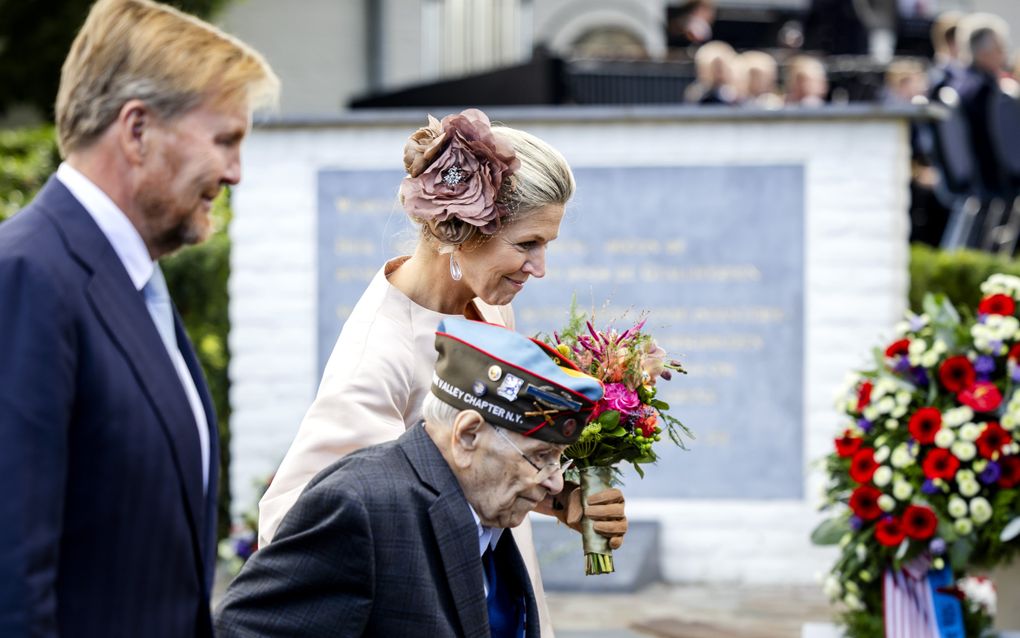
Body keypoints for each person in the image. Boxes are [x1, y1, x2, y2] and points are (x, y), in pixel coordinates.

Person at [257, 108, 627, 635]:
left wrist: (559, 498)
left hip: (501, 597)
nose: (540, 268)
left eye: (546, 245)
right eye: (527, 245)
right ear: (461, 230)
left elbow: (479, 464)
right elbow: (290, 523)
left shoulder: (489, 306)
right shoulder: (378, 356)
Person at [0, 1, 278, 636]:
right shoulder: (26, 278)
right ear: (137, 131)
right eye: (225, 140)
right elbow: (11, 581)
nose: (235, 171)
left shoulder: (133, 281)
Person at [218, 318, 604, 637]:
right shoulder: (359, 505)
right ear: (467, 435)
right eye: (540, 458)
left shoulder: (483, 506)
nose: (554, 483)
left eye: (558, 461)